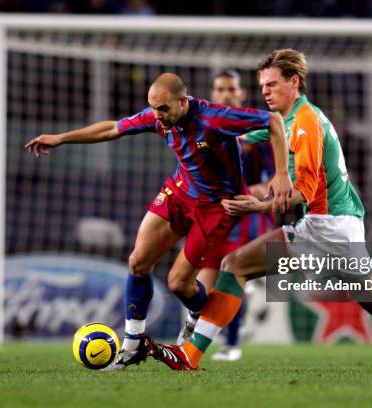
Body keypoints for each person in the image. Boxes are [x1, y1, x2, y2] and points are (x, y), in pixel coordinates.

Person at [145, 50, 372, 372]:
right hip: (341, 226)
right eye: (262, 85)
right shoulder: (290, 118)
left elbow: (303, 192)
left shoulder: (306, 123)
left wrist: (259, 205)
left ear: (294, 82)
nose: (264, 92)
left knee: (234, 266)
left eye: (272, 84)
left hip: (326, 226)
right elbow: (245, 136)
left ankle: (189, 355)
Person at [25, 72, 293, 369]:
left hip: (217, 207)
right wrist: (61, 138)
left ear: (182, 101)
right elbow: (112, 129)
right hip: (180, 191)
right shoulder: (157, 115)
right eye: (153, 108)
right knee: (138, 261)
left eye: (163, 109)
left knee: (179, 284)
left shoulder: (214, 118)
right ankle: (132, 345)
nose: (157, 116)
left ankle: (199, 318)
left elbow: (273, 121)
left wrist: (282, 174)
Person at [175, 69, 276, 361]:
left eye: (232, 89)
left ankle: (231, 344)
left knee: (229, 275)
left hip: (247, 215)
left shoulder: (255, 132)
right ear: (213, 94)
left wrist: (256, 191)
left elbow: (272, 179)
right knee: (203, 282)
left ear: (242, 94)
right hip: (215, 212)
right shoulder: (204, 127)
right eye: (220, 89)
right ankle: (211, 328)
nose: (226, 94)